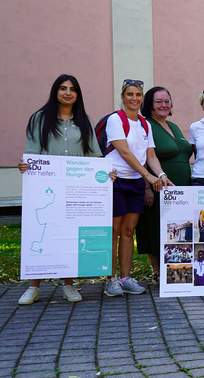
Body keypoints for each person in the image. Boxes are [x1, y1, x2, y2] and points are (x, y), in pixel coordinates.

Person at [17, 75, 105, 304]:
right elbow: (32, 152)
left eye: (73, 89)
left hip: (76, 187)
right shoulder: (40, 118)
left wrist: (107, 174)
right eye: (63, 88)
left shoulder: (84, 120)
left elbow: (95, 156)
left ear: (78, 94)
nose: (68, 93)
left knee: (69, 234)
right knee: (41, 232)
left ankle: (69, 285)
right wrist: (26, 165)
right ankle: (33, 287)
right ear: (55, 91)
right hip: (46, 187)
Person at [104, 79, 172, 297]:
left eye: (138, 95)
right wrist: (149, 177)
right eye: (130, 94)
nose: (134, 98)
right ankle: (110, 279)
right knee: (113, 232)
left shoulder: (144, 124)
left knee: (128, 232)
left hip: (134, 183)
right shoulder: (116, 119)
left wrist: (161, 175)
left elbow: (149, 155)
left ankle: (125, 277)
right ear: (123, 97)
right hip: (116, 181)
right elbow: (124, 152)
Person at [135, 86, 192, 278]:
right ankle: (158, 272)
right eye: (158, 101)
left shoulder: (174, 126)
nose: (164, 105)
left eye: (167, 101)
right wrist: (146, 188)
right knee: (155, 226)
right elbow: (142, 157)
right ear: (149, 105)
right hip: (157, 187)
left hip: (181, 190)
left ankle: (177, 270)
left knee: (177, 229)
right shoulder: (146, 125)